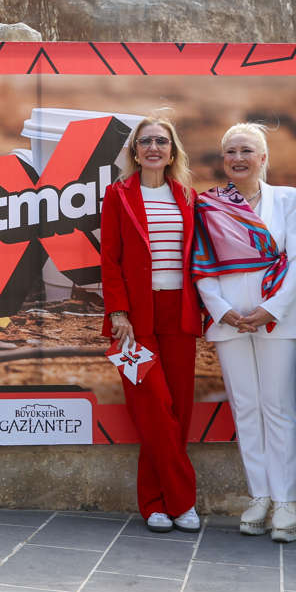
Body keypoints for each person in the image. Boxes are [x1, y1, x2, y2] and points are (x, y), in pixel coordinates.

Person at [192, 122, 296, 543]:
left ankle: (286, 501)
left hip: (277, 318)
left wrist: (270, 309)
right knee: (245, 406)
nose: (238, 158)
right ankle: (259, 495)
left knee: (278, 405)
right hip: (229, 322)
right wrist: (222, 311)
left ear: (263, 158)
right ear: (223, 159)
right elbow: (201, 263)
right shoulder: (209, 204)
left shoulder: (287, 198)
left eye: (246, 151)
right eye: (231, 152)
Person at [100, 117, 202, 534]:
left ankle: (156, 503)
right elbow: (110, 259)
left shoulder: (188, 197)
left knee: (177, 410)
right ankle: (181, 501)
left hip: (179, 313)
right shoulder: (118, 194)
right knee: (153, 408)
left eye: (162, 141)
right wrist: (117, 312)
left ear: (172, 151)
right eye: (146, 142)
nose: (154, 147)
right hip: (133, 321)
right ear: (135, 152)